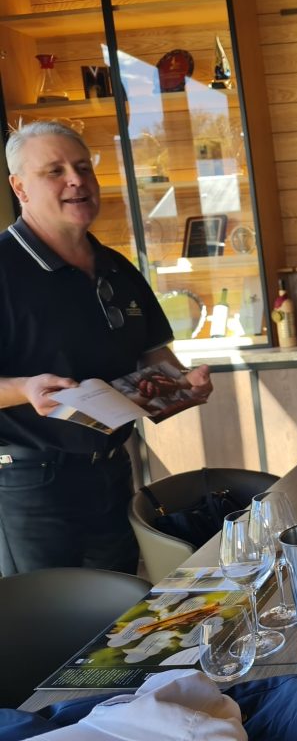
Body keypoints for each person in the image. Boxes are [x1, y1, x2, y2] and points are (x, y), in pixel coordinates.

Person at [0, 120, 212, 576]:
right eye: (54, 171)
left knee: (117, 618)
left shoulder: (116, 266)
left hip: (113, 470)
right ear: (20, 187)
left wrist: (181, 384)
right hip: (30, 483)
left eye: (82, 168)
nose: (76, 180)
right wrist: (25, 388)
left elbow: (151, 356)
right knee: (48, 627)